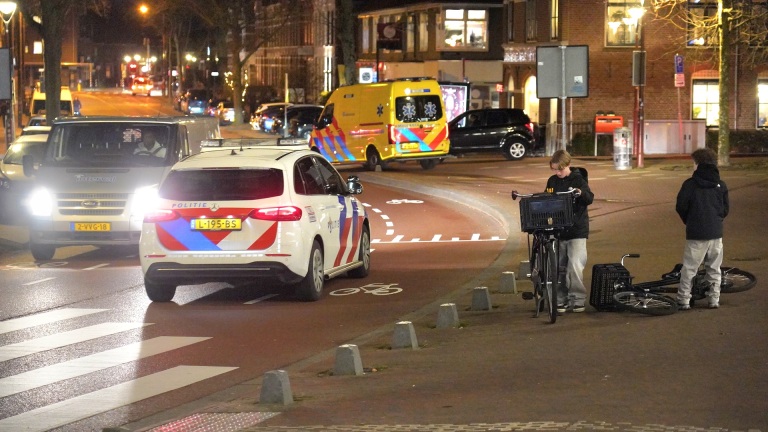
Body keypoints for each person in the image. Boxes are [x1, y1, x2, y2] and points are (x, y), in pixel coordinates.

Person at [675, 147, 729, 309]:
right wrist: (716, 221)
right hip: (715, 232)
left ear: (698, 164)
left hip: (696, 232)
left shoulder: (690, 184)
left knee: (690, 268)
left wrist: (690, 220)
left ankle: (684, 299)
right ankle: (714, 299)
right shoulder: (720, 184)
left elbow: (681, 206)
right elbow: (725, 209)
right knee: (714, 268)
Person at [546, 149, 594, 313]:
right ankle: (560, 299)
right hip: (559, 230)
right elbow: (548, 200)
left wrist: (580, 193)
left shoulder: (578, 179)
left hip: (576, 230)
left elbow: (589, 198)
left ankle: (578, 299)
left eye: (560, 169)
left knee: (574, 265)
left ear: (568, 165)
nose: (557, 172)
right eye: (555, 169)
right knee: (558, 267)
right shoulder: (552, 181)